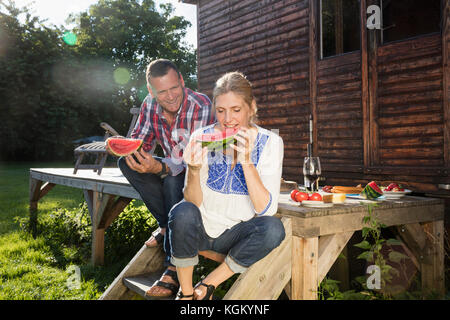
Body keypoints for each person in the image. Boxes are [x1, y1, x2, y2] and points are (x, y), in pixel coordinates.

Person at [167, 71, 285, 300]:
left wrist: (247, 162)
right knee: (181, 211)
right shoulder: (200, 137)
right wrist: (192, 169)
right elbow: (192, 203)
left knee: (273, 229)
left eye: (236, 110)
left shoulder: (272, 142)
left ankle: (208, 284)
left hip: (236, 235)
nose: (228, 119)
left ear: (252, 107)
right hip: (200, 229)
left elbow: (266, 210)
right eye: (221, 111)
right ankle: (187, 294)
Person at [115, 59, 215, 298]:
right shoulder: (149, 104)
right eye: (162, 91)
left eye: (174, 88)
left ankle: (172, 264)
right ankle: (165, 225)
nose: (170, 96)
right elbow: (140, 142)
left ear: (182, 81)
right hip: (171, 168)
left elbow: (193, 160)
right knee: (125, 163)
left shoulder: (200, 104)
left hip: (199, 174)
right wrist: (134, 153)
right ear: (151, 91)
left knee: (172, 180)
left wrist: (159, 166)